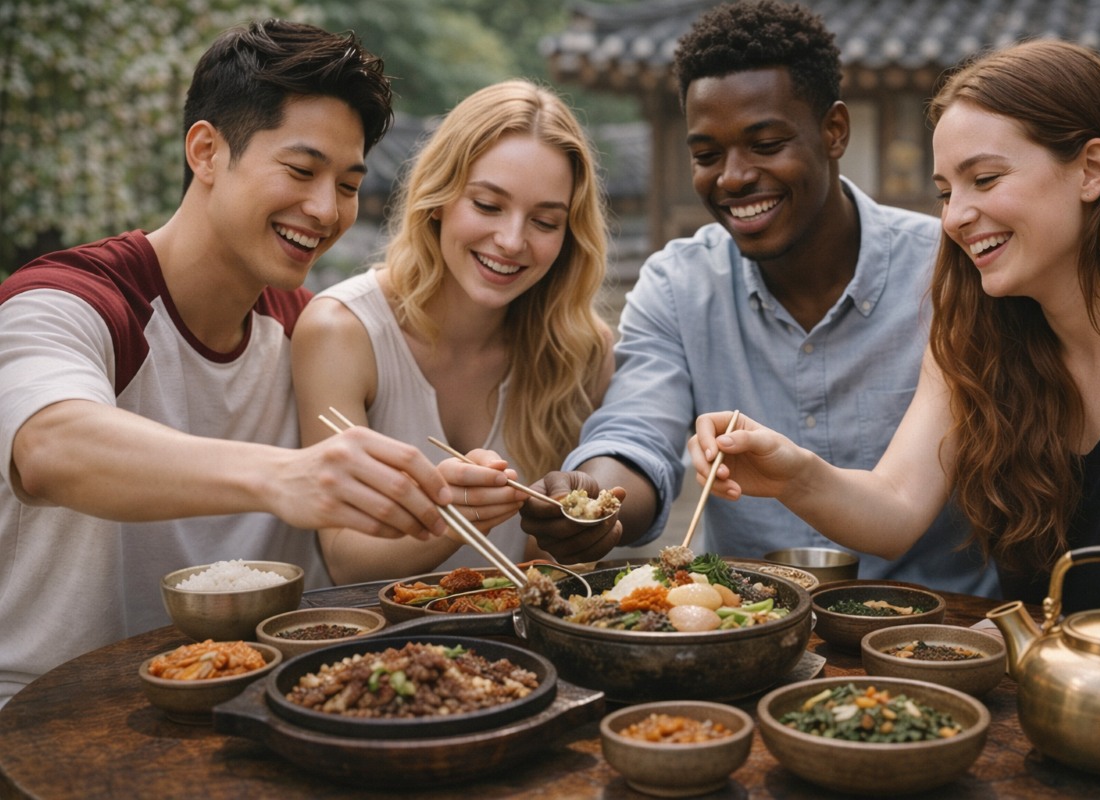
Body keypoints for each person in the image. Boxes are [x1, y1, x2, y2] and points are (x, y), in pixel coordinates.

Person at [0, 20, 457, 707]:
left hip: (247, 709)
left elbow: (349, 548)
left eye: (348, 183)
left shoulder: (311, 330)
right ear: (206, 151)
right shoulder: (70, 301)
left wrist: (439, 498)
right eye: (302, 171)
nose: (325, 209)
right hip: (49, 713)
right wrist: (285, 477)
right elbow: (50, 446)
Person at [689, 38, 1100, 622]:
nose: (954, 217)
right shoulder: (979, 336)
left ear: (1091, 169)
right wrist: (793, 472)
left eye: (984, 179)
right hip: (1045, 700)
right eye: (945, 192)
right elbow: (896, 509)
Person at [520, 0, 998, 598]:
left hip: (935, 628)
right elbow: (636, 431)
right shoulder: (677, 285)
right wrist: (596, 503)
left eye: (765, 143)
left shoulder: (947, 270)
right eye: (706, 155)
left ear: (834, 131)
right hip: (741, 625)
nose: (733, 177)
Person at [291, 79, 615, 582]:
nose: (510, 241)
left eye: (545, 222)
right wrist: (452, 519)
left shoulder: (582, 350)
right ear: (438, 198)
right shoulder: (342, 329)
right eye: (487, 205)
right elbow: (344, 558)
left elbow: (548, 567)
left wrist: (574, 526)